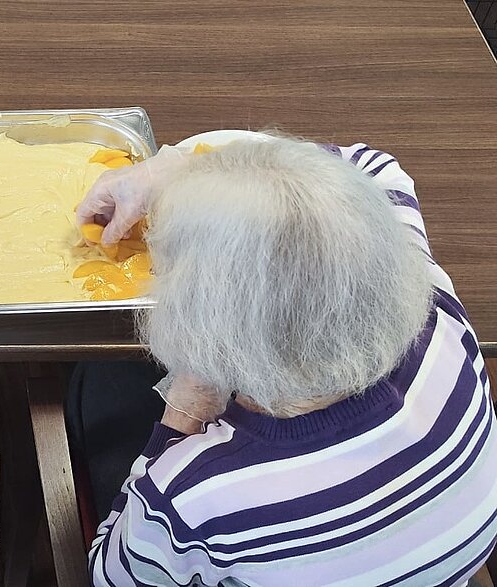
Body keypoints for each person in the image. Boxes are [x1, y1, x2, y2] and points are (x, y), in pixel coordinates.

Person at [70, 133, 497, 586]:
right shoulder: (445, 324)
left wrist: (183, 414)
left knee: (99, 387)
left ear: (213, 330)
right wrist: (168, 173)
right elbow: (372, 163)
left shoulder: (193, 495)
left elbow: (109, 576)